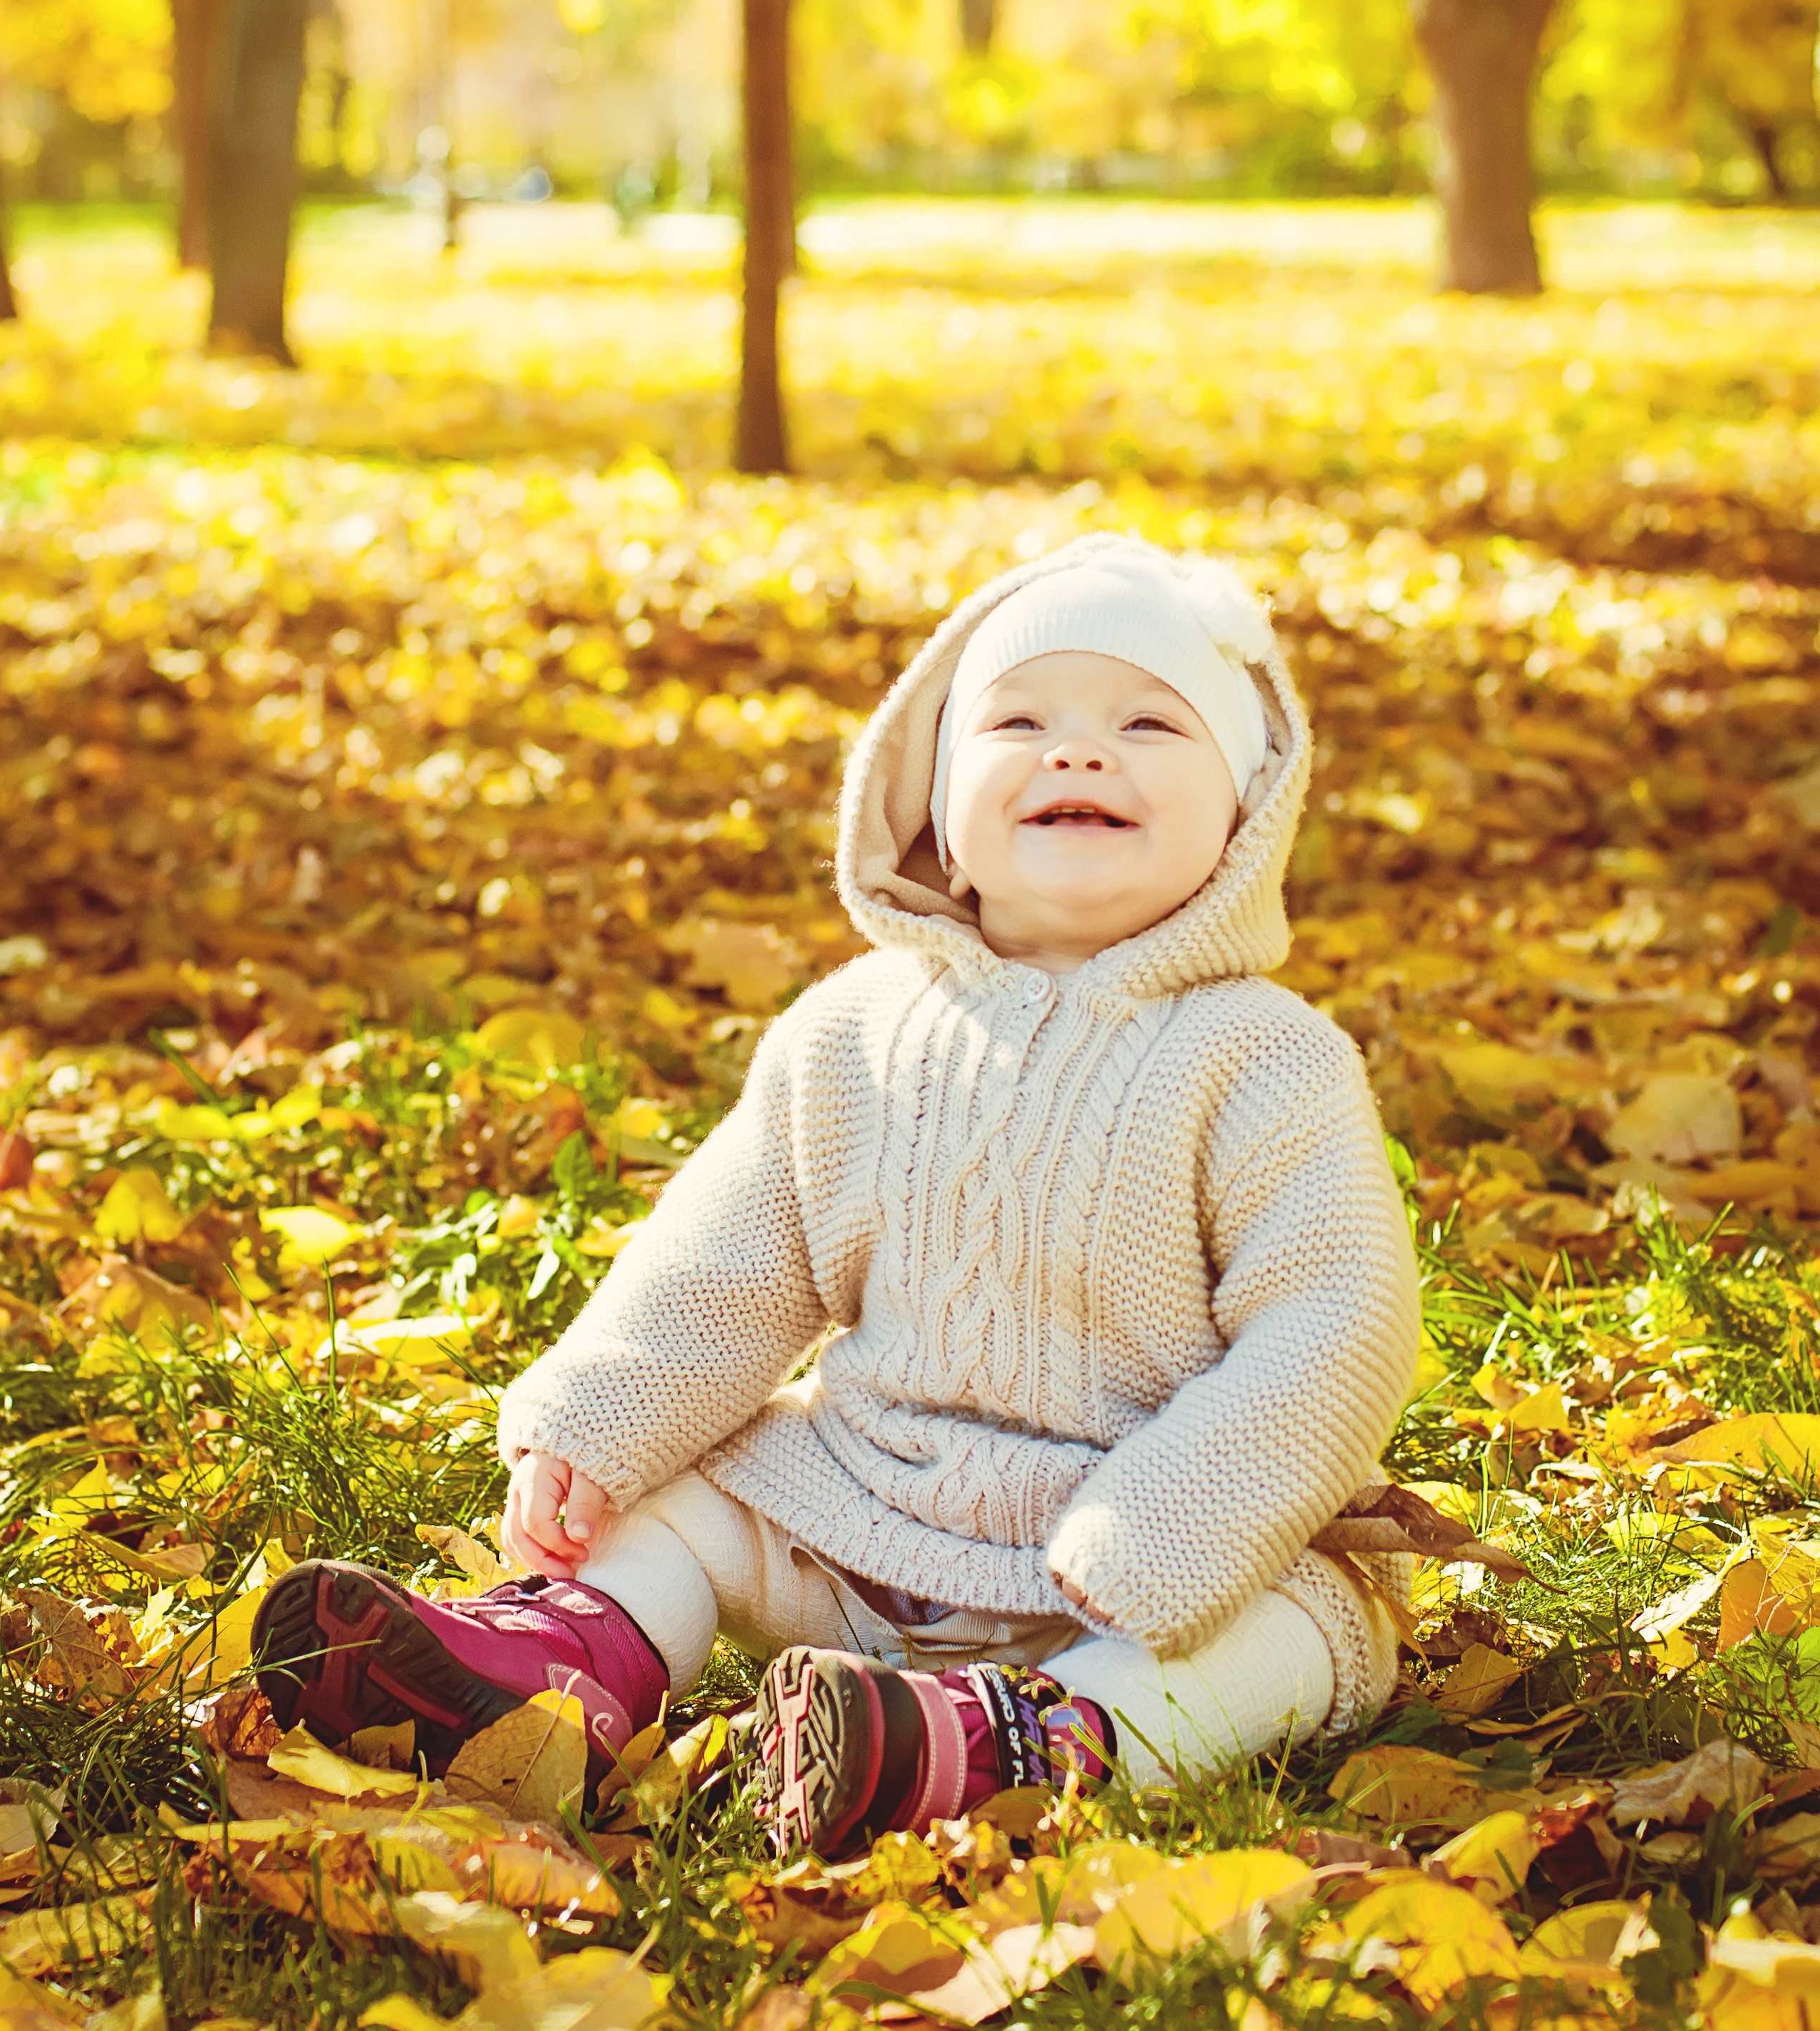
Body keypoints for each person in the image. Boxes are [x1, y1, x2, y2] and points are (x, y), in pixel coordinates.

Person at [252, 537, 1421, 1854]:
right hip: (867, 1511)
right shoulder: (852, 1032)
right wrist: (596, 1424)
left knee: (1301, 1627)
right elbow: (729, 1258)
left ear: (1244, 812)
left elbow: (1337, 1320)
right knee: (686, 1484)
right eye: (1020, 720)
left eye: (1149, 723)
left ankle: (1026, 1743)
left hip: (1137, 1563)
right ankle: (570, 1664)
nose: (1080, 753)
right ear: (930, 797)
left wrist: (1174, 1522)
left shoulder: (1266, 1058)